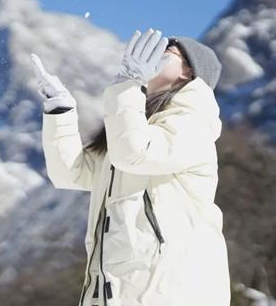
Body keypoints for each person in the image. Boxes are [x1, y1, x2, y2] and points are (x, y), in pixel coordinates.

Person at [31, 28, 230, 306]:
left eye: (167, 52)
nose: (155, 55)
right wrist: (60, 111)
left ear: (188, 72)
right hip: (117, 291)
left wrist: (129, 82)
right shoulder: (131, 123)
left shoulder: (195, 121)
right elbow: (71, 173)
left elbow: (136, 154)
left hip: (169, 291)